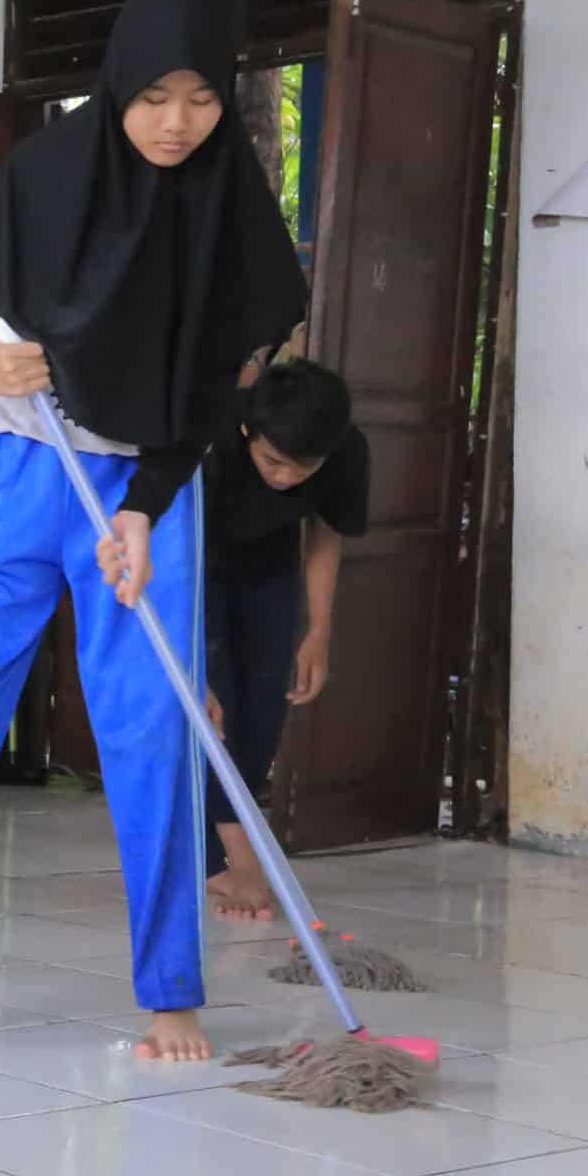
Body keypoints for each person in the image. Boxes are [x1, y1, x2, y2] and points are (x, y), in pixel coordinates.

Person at [0, 0, 306, 1061]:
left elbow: (216, 383)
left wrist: (143, 505)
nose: (176, 122)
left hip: (143, 496)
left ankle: (169, 987)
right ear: (117, 89)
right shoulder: (41, 174)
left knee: (147, 733)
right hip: (13, 467)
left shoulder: (226, 205)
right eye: (152, 98)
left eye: (201, 98)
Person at [200, 358, 369, 919]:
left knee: (264, 709)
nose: (285, 479)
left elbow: (325, 533)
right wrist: (194, 662)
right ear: (250, 431)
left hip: (269, 567)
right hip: (192, 566)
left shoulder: (345, 451)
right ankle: (236, 860)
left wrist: (318, 630)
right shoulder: (215, 432)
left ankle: (223, 850)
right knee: (212, 708)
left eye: (303, 468)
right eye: (273, 461)